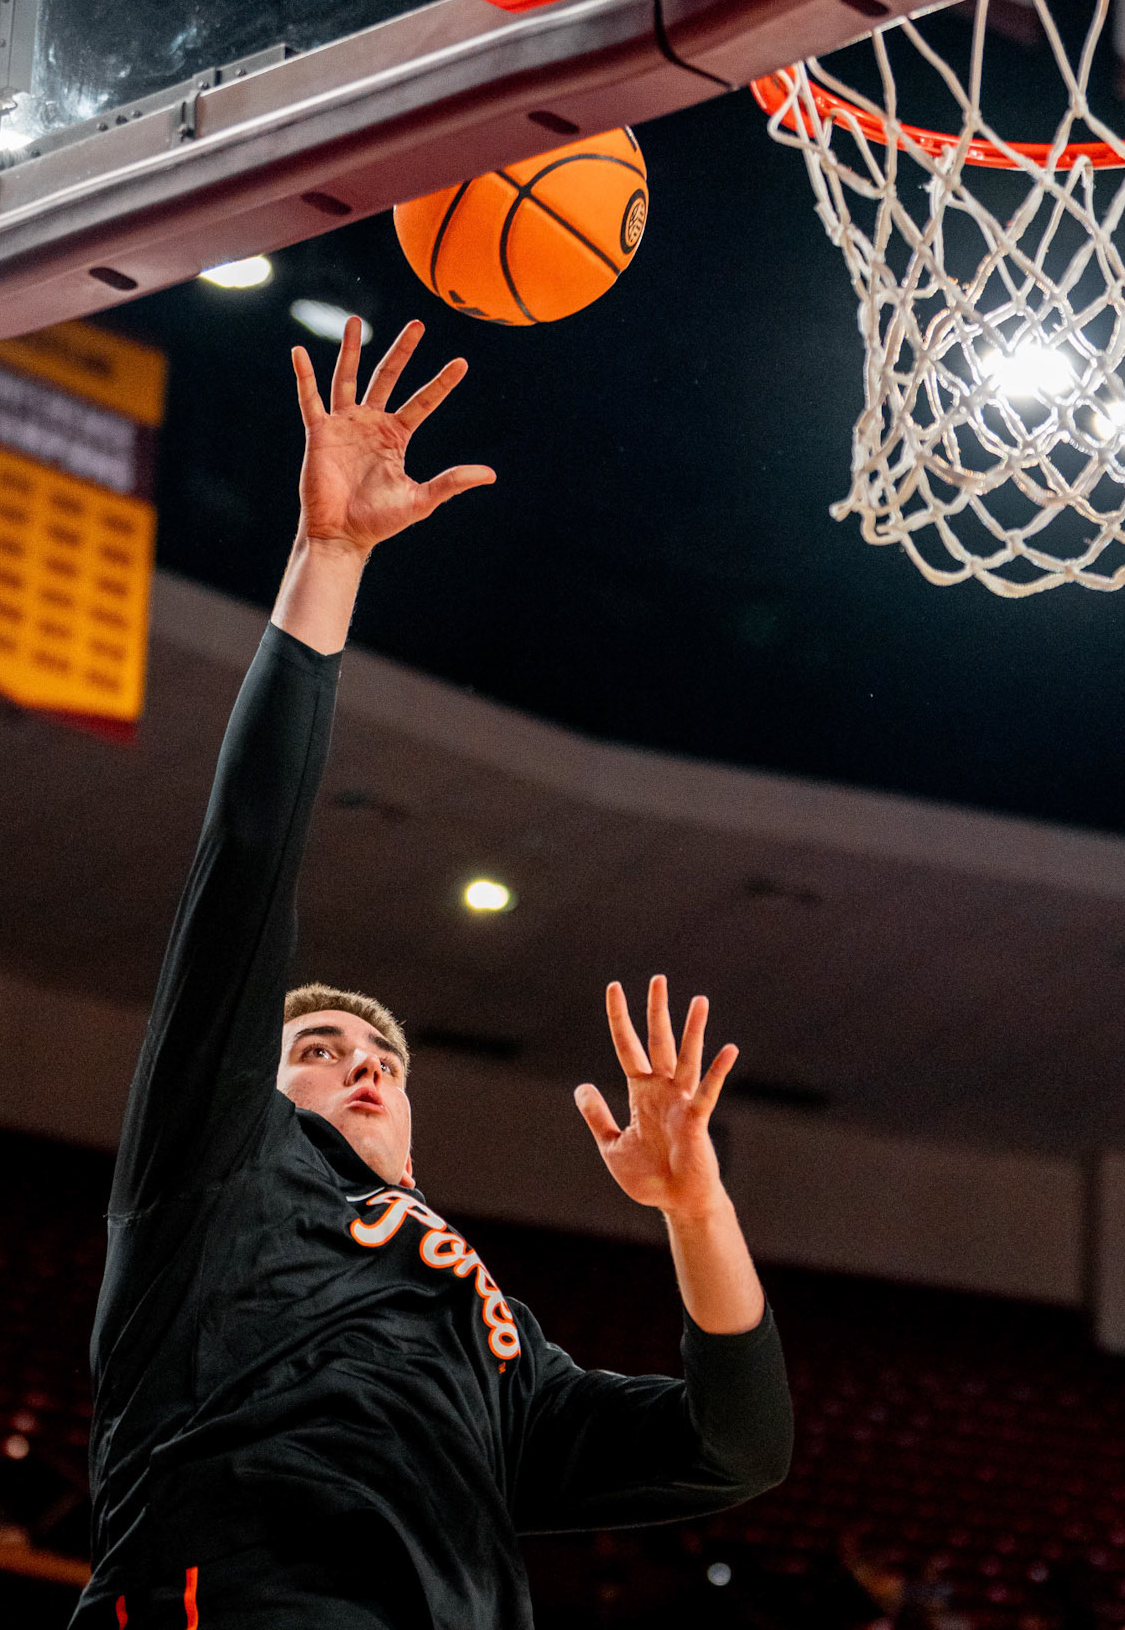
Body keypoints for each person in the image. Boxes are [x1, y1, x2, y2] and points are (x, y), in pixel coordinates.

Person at [72, 321, 792, 1630]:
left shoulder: (495, 1339)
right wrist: (327, 557)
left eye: (384, 1063)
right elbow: (246, 865)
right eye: (320, 1050)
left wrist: (696, 1211)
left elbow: (733, 1449)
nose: (360, 1063)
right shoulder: (215, 1167)